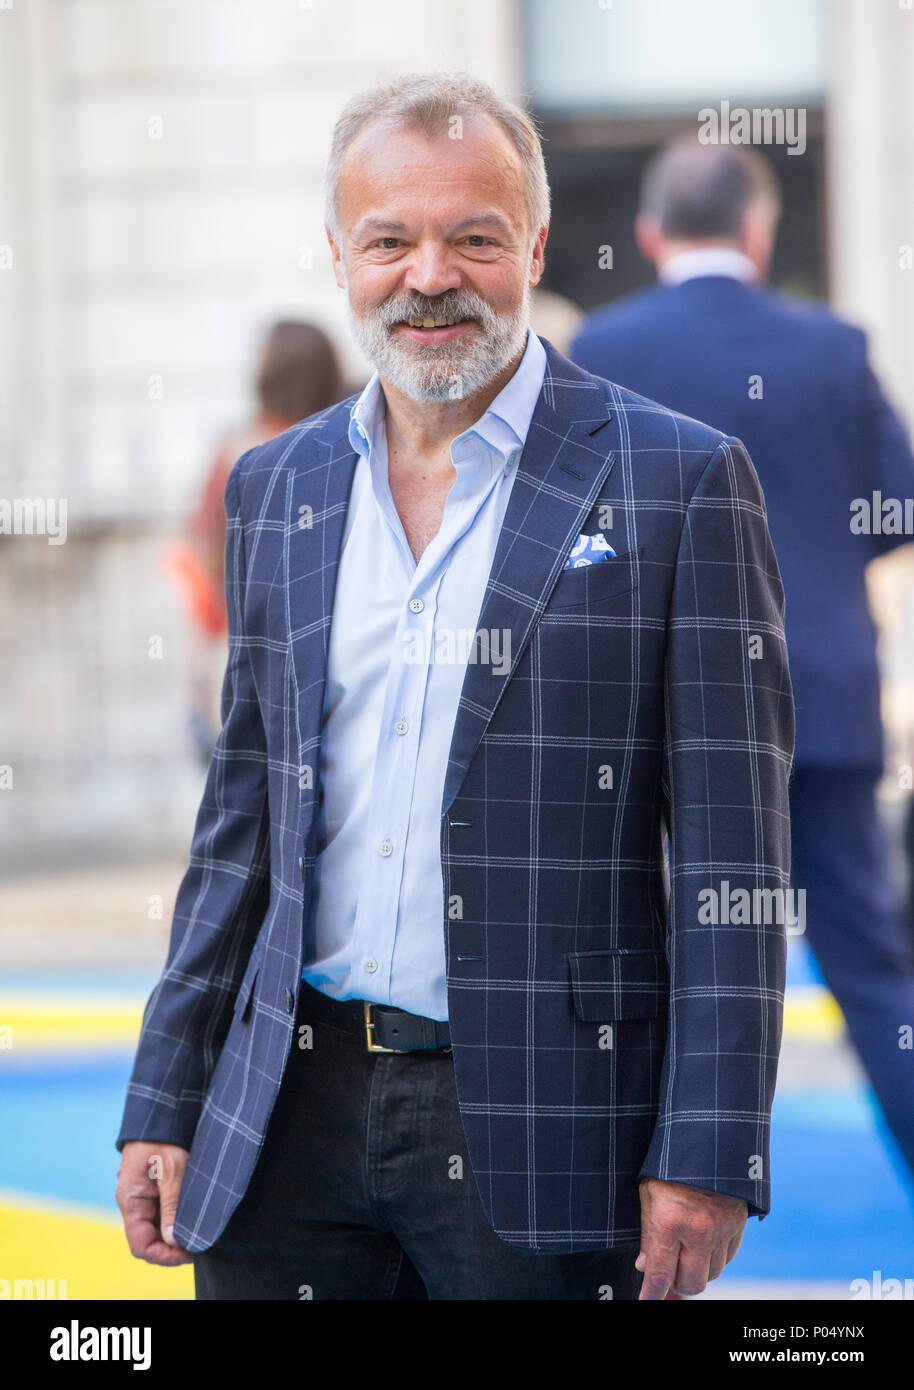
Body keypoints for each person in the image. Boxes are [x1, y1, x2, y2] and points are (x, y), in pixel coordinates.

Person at [115, 74, 794, 1302]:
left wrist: (707, 1151)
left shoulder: (679, 482)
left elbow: (732, 858)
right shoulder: (278, 488)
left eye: (472, 237)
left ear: (530, 244)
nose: (430, 276)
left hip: (548, 1123)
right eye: (389, 240)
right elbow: (240, 823)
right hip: (282, 1121)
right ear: (338, 255)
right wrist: (164, 1094)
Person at [571, 135, 914, 1178]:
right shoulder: (833, 343)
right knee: (872, 975)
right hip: (822, 703)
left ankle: (630, 1218)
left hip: (658, 718)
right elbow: (895, 507)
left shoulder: (599, 349)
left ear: (647, 234)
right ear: (757, 232)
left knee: (647, 971)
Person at [165, 320, 347, 761]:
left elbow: (197, 555)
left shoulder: (240, 449)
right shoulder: (349, 444)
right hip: (332, 659)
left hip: (245, 658)